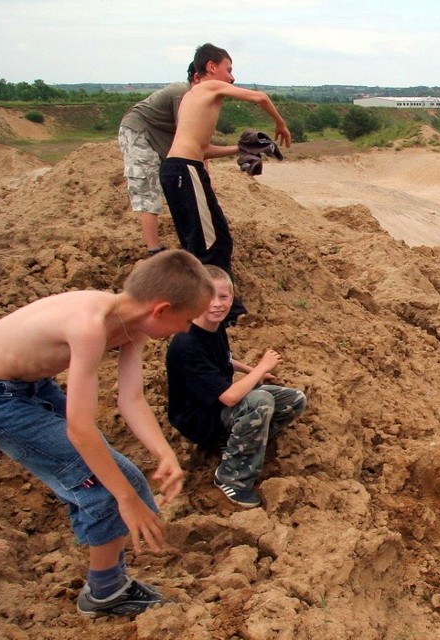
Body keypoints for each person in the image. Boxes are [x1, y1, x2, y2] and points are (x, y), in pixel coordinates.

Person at [0, 250, 214, 618]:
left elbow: (131, 398)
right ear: (161, 310)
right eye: (185, 321)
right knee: (106, 484)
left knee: (122, 480)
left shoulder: (131, 324)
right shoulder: (89, 326)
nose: (186, 330)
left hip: (31, 387)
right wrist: (125, 499)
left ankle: (109, 576)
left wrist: (163, 453)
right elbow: (80, 429)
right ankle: (105, 593)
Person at [159, 43, 292, 325]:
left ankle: (199, 304)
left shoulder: (192, 99)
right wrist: (280, 125)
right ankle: (219, 309)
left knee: (209, 240)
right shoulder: (206, 88)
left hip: (182, 169)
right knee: (210, 244)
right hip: (186, 171)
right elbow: (260, 97)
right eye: (228, 69)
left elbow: (202, 148)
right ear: (210, 67)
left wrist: (240, 148)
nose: (231, 78)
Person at [166, 265, 307, 508]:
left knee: (294, 399)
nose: (217, 304)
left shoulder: (213, 326)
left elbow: (224, 359)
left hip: (217, 407)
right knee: (259, 403)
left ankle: (238, 443)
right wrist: (262, 367)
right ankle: (232, 477)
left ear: (232, 297)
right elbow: (230, 398)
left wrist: (249, 370)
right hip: (199, 420)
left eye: (223, 296)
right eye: (208, 296)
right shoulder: (186, 344)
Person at [119, 62, 238, 255]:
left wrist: (206, 177)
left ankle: (190, 240)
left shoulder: (199, 100)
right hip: (139, 132)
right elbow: (190, 141)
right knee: (148, 191)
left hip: (163, 134)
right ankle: (154, 251)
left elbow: (197, 145)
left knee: (182, 182)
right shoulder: (184, 95)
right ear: (197, 78)